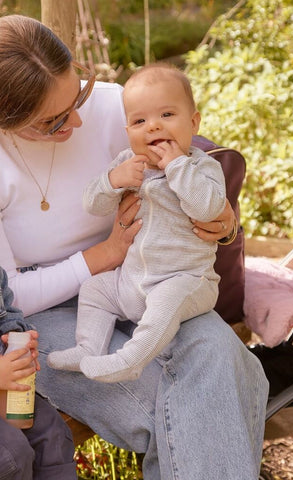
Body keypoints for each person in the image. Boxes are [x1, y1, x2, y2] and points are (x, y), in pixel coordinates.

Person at [0, 14, 268, 480]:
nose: (79, 119)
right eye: (54, 120)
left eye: (78, 95)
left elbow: (193, 162)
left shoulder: (114, 108)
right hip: (46, 315)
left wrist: (224, 223)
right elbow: (10, 296)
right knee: (191, 411)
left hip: (153, 279)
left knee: (224, 359)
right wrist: (101, 257)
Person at [47, 63, 227, 383]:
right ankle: (87, 348)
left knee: (165, 304)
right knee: (94, 289)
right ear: (127, 131)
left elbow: (207, 208)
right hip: (130, 282)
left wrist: (176, 167)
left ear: (194, 122)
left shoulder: (202, 168)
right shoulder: (127, 165)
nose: (153, 127)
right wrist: (112, 180)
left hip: (185, 280)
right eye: (139, 121)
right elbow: (93, 204)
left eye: (167, 116)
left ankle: (131, 360)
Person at [0, 267, 77, 480]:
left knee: (53, 435)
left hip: (6, 389)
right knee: (11, 455)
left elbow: (7, 316)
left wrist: (18, 339)